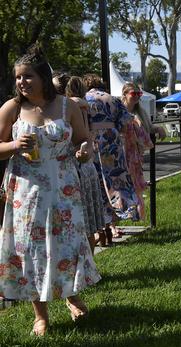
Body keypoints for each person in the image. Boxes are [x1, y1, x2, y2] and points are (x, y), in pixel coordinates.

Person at [0, 46, 100, 336]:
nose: (21, 82)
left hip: (64, 189)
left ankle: (72, 297)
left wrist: (84, 150)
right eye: (18, 78)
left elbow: (84, 140)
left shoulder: (68, 106)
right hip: (27, 192)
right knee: (31, 250)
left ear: (43, 76)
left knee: (66, 246)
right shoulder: (13, 108)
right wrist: (13, 146)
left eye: (27, 76)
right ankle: (40, 315)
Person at [85, 74, 140, 244]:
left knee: (98, 182)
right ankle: (121, 213)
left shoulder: (82, 99)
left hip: (92, 140)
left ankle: (102, 227)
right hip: (112, 140)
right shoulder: (113, 99)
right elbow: (125, 122)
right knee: (115, 180)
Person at [65, 76, 106, 252]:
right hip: (88, 160)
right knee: (89, 217)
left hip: (77, 161)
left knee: (81, 218)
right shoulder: (86, 105)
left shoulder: (71, 104)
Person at [121, 82, 165, 218]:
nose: (137, 97)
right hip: (121, 154)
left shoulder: (140, 112)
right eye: (133, 94)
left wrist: (158, 128)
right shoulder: (119, 111)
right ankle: (118, 221)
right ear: (125, 94)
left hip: (135, 155)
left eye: (139, 94)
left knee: (138, 187)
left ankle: (141, 218)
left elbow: (148, 128)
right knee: (120, 188)